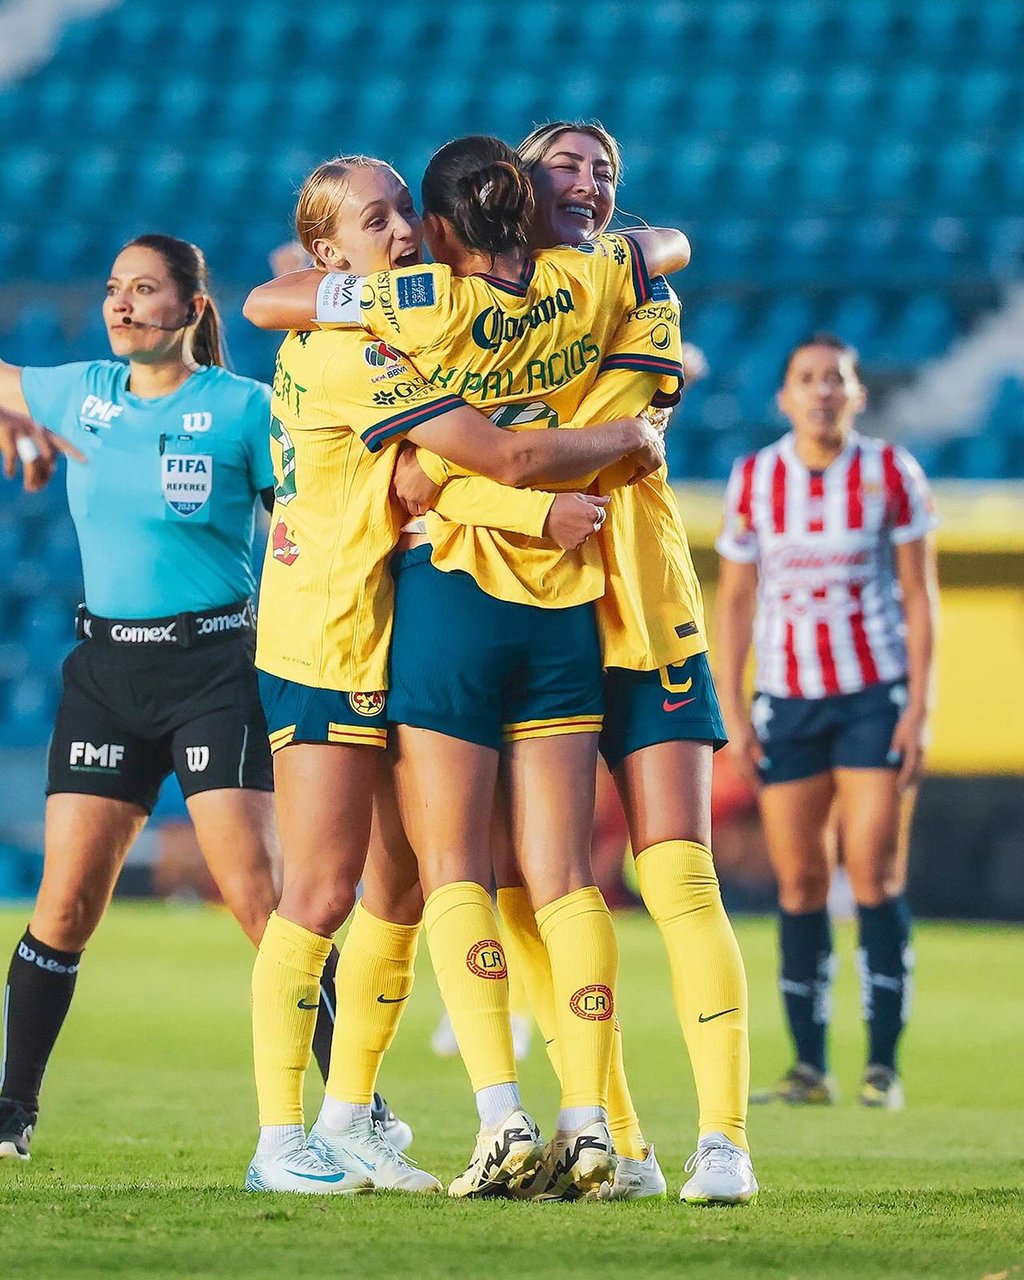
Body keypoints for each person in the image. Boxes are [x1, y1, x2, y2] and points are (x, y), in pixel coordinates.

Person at [241, 149, 672, 1197]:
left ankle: (348, 1117)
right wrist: (624, 435)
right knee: (321, 888)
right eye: (374, 221)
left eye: (402, 215)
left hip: (382, 625)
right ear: (330, 248)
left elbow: (270, 301)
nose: (396, 234)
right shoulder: (360, 350)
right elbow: (485, 458)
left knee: (393, 884)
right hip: (327, 636)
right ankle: (277, 1137)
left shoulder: (365, 317)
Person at [0, 234, 404, 1168]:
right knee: (62, 906)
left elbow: (317, 515)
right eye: (112, 289)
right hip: (104, 676)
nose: (122, 305)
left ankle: (358, 1110)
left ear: (191, 308)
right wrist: (15, 422)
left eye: (145, 290)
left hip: (215, 673)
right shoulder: (82, 394)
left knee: (263, 903)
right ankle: (12, 1113)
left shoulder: (244, 412)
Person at [715, 333, 938, 1110]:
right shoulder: (755, 480)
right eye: (806, 379)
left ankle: (883, 1065)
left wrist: (920, 704)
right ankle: (809, 1066)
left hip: (873, 695)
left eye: (835, 379)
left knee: (873, 869)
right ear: (784, 397)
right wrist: (733, 708)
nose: (821, 392)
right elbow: (737, 600)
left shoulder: (889, 473)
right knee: (801, 879)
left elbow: (918, 594)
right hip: (789, 700)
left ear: (857, 393)